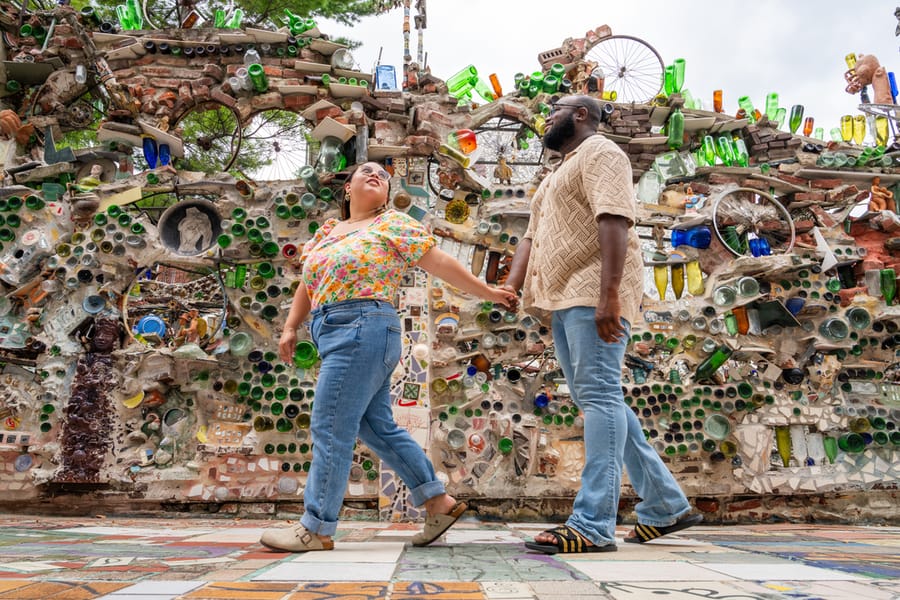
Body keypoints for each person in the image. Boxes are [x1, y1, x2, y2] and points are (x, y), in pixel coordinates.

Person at [260, 161, 517, 552]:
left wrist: (487, 291)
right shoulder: (328, 232)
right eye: (366, 170)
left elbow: (440, 262)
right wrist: (291, 327)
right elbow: (308, 283)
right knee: (375, 426)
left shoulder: (392, 223)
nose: (376, 175)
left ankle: (316, 527)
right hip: (332, 330)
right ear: (347, 189)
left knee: (330, 425)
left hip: (365, 324)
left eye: (383, 174)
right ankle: (437, 502)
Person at [501, 96, 701, 554]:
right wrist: (510, 286)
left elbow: (615, 219)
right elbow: (531, 236)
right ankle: (666, 504)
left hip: (593, 288)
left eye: (557, 108)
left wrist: (610, 295)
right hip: (562, 296)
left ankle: (592, 522)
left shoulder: (601, 152)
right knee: (600, 399)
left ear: (581, 114)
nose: (547, 116)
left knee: (599, 397)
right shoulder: (555, 175)